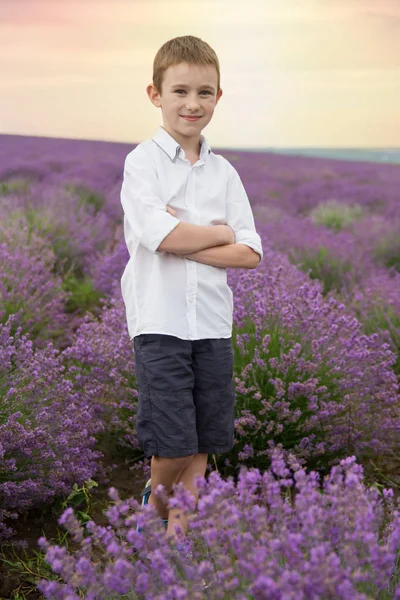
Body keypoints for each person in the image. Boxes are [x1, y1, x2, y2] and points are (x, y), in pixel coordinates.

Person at [120, 35, 263, 543]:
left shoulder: (225, 173)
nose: (192, 103)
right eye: (180, 91)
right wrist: (217, 233)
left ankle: (178, 543)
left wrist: (186, 240)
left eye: (205, 92)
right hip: (160, 323)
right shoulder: (143, 164)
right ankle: (149, 512)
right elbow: (158, 235)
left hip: (212, 324)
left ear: (218, 97)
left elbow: (250, 252)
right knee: (173, 443)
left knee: (204, 442)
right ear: (155, 94)